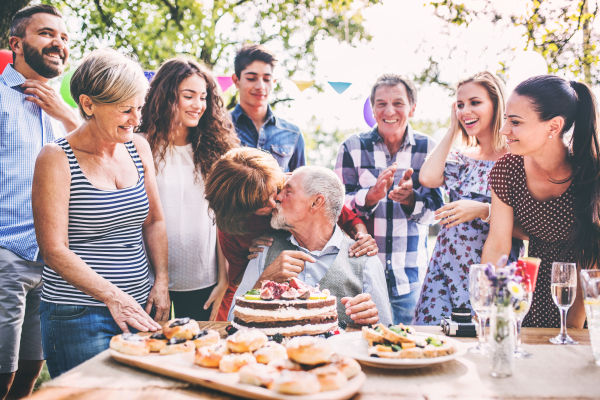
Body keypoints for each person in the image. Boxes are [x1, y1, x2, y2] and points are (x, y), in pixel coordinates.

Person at [32, 49, 170, 378]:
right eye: (125, 110)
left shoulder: (139, 147)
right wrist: (112, 296)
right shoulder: (55, 158)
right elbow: (53, 249)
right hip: (78, 313)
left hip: (139, 308)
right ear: (89, 104)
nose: (136, 119)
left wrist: (162, 280)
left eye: (139, 108)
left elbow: (154, 220)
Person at [0, 5, 79, 398]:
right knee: (2, 372)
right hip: (5, 258)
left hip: (48, 263)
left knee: (32, 369)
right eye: (47, 34)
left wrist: (66, 115)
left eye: (64, 37)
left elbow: (99, 157)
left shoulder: (62, 111)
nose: (59, 44)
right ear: (16, 43)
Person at [204, 148, 379, 321]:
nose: (275, 202)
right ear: (242, 212)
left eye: (275, 191)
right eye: (263, 204)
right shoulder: (233, 232)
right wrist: (266, 275)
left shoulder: (284, 183)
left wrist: (362, 237)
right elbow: (238, 286)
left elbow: (335, 210)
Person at [482, 75, 600, 329]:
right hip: (534, 287)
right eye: (506, 120)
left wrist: (573, 327)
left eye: (515, 122)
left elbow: (592, 261)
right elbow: (497, 244)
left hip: (588, 297)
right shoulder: (507, 170)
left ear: (553, 126)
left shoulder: (592, 173)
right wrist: (490, 308)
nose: (504, 130)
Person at [413, 72, 525, 325]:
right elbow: (428, 178)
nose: (466, 111)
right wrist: (453, 128)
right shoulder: (462, 157)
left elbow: (526, 225)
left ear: (496, 104)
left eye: (475, 102)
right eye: (460, 105)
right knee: (431, 340)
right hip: (445, 266)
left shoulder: (516, 157)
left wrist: (481, 209)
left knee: (482, 341)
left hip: (491, 267)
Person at [335, 74, 444, 325]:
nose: (389, 110)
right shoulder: (352, 147)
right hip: (361, 279)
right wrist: (370, 197)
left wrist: (410, 199)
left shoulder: (429, 149)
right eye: (381, 103)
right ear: (373, 109)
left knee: (408, 352)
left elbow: (436, 213)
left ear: (412, 108)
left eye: (398, 103)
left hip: (410, 280)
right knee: (363, 351)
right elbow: (338, 208)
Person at [138, 58, 238, 321]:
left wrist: (223, 279)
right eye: (188, 96)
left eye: (203, 97)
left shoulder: (214, 150)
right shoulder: (140, 146)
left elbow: (221, 220)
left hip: (202, 278)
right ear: (166, 97)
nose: (198, 105)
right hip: (148, 278)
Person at [231, 43, 305, 172]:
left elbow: (301, 187)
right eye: (251, 78)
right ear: (236, 80)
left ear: (273, 81)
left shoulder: (293, 133)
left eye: (266, 79)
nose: (260, 86)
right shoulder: (219, 127)